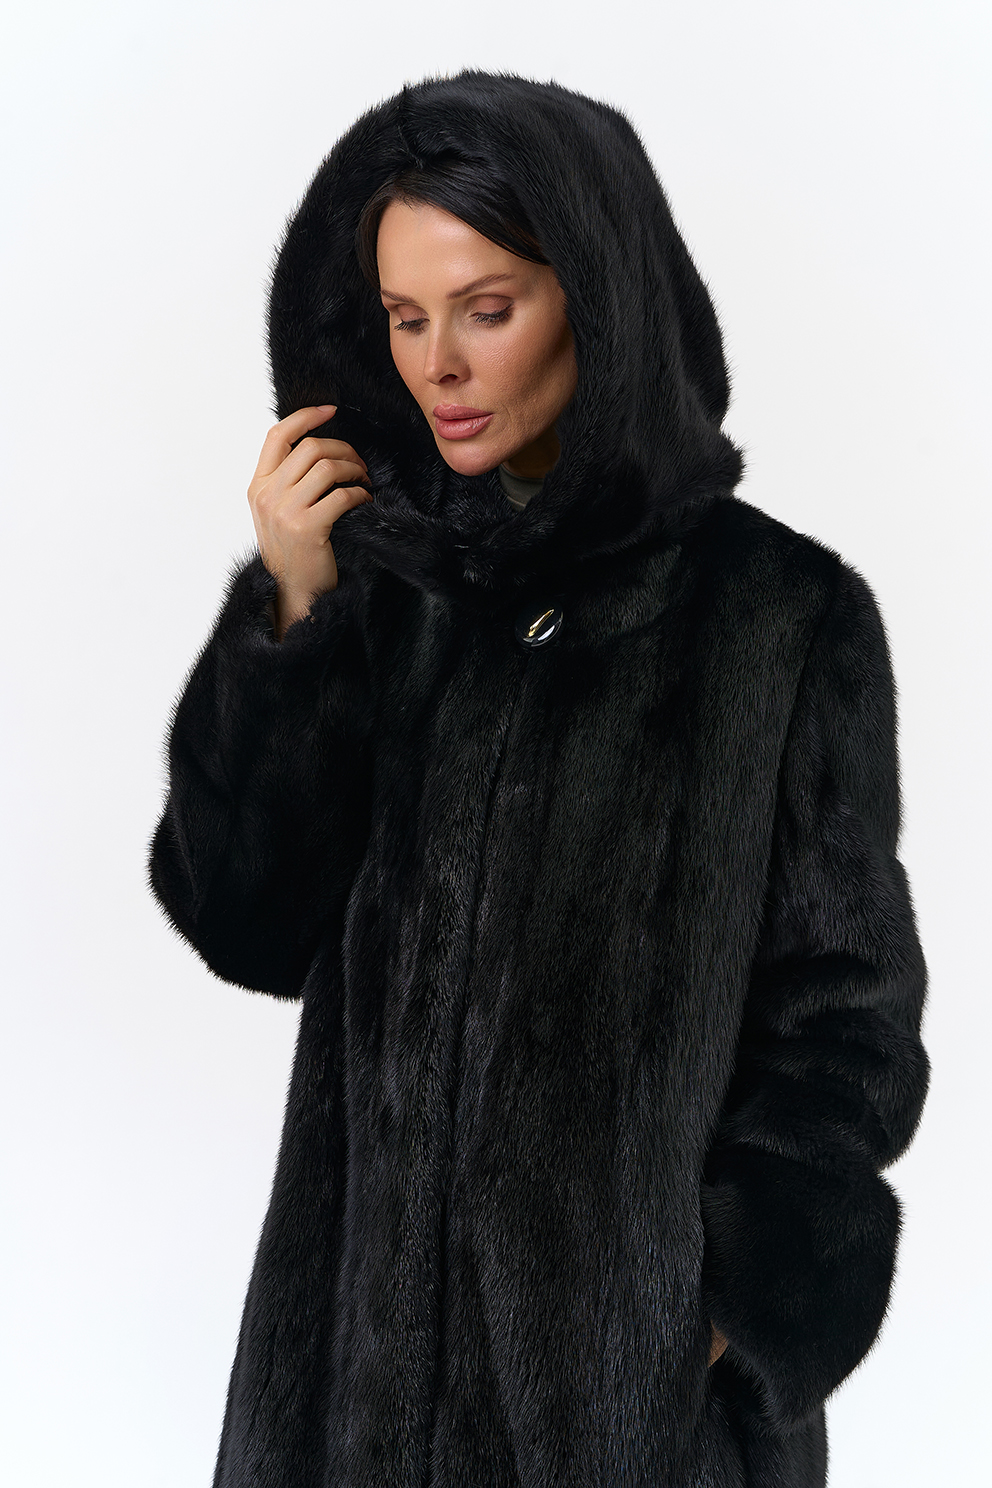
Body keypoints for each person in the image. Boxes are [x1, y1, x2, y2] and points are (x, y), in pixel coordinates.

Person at [147, 71, 929, 1488]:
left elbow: (845, 1016)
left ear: (598, 300)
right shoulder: (379, 600)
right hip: (353, 1402)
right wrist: (296, 610)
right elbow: (245, 924)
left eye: (486, 308)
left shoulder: (777, 617)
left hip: (630, 1424)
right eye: (405, 318)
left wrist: (722, 1313)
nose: (438, 363)